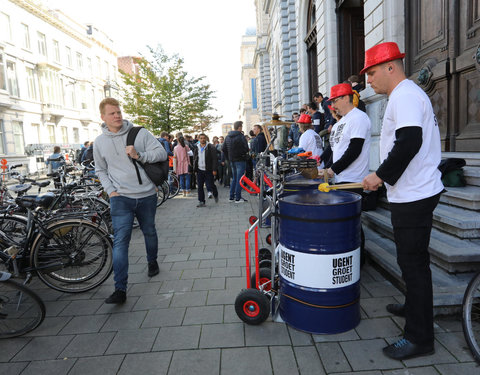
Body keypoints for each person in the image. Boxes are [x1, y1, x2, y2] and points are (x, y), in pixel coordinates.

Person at [361, 42, 444, 360]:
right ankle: (413, 307)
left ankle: (420, 337)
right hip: (411, 192)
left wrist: (379, 176)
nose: (369, 80)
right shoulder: (404, 95)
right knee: (411, 262)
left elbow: (409, 141)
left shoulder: (406, 95)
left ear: (390, 67)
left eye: (372, 72)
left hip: (414, 195)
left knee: (414, 265)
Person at [93, 97, 167, 304]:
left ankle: (152, 261)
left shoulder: (139, 133)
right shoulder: (99, 142)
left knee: (149, 231)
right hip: (120, 198)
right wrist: (110, 191)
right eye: (112, 113)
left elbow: (161, 152)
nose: (117, 116)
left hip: (146, 195)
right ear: (103, 117)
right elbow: (100, 169)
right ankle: (120, 289)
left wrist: (139, 155)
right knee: (120, 242)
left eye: (118, 112)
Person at [223, 121, 249, 203]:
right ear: (240, 127)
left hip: (232, 160)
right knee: (239, 179)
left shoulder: (227, 137)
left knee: (234, 178)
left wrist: (228, 158)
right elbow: (246, 148)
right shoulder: (241, 136)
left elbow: (224, 149)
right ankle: (238, 198)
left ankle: (231, 197)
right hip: (240, 160)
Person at [193, 133, 218, 207]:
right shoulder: (196, 147)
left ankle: (215, 194)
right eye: (201, 138)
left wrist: (214, 169)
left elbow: (214, 159)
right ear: (198, 139)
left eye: (204, 138)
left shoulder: (210, 147)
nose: (202, 139)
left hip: (208, 169)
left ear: (206, 138)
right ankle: (201, 201)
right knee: (200, 186)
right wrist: (194, 168)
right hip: (200, 170)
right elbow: (195, 158)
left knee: (210, 184)